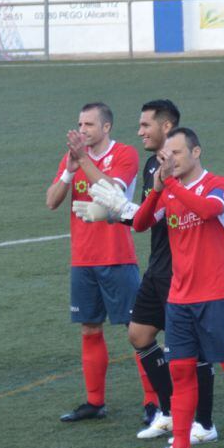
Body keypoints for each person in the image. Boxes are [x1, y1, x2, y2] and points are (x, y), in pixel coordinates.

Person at [95, 127, 224, 448]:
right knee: (182, 369)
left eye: (177, 154)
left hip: (217, 294)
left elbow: (205, 210)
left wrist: (168, 185)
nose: (170, 160)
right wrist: (155, 191)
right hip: (180, 297)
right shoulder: (168, 192)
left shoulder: (220, 186)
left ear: (197, 152)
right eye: (165, 156)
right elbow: (141, 223)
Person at [77, 100, 217, 442]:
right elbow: (148, 215)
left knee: (192, 348)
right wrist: (114, 212)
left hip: (181, 268)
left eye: (145, 125)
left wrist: (116, 210)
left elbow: (177, 210)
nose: (139, 131)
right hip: (158, 267)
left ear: (166, 128)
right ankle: (169, 412)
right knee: (139, 334)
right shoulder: (152, 167)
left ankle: (204, 423)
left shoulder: (179, 167)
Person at [46, 102, 140, 422]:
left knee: (137, 330)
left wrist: (82, 160)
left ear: (106, 128)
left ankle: (155, 404)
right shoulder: (74, 158)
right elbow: (51, 202)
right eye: (79, 124)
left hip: (118, 256)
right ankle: (94, 402)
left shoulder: (125, 154)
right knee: (89, 328)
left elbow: (111, 192)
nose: (82, 130)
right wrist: (69, 171)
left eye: (88, 125)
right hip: (82, 259)